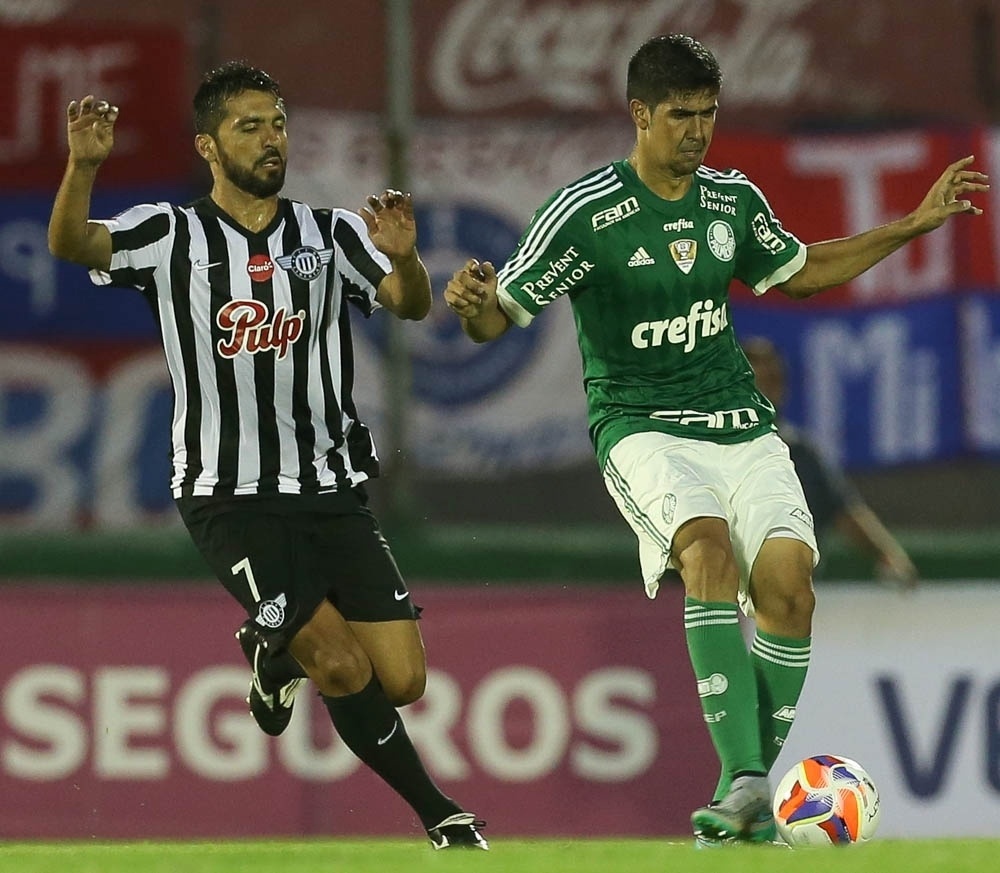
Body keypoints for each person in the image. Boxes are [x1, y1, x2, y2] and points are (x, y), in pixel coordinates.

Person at [443, 33, 986, 846]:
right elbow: (498, 317)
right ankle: (745, 782)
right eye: (680, 116)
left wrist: (913, 224)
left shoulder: (730, 201)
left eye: (707, 115)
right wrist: (470, 302)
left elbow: (802, 269)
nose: (696, 133)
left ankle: (741, 806)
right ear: (640, 115)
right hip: (643, 428)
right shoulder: (587, 214)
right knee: (704, 546)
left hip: (740, 425)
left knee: (791, 584)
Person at [48, 61, 487, 851]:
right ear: (208, 145)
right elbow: (74, 242)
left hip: (329, 487)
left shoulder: (330, 234)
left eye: (278, 122)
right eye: (250, 126)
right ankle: (441, 814)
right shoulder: (171, 233)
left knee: (405, 678)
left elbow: (409, 305)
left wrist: (408, 258)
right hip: (230, 492)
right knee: (342, 664)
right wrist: (83, 167)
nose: (270, 138)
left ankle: (270, 653)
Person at [742, 336, 918, 589]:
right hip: (719, 595)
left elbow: (845, 512)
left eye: (775, 380)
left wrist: (889, 556)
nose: (769, 387)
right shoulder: (709, 445)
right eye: (759, 379)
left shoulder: (800, 453)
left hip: (785, 596)